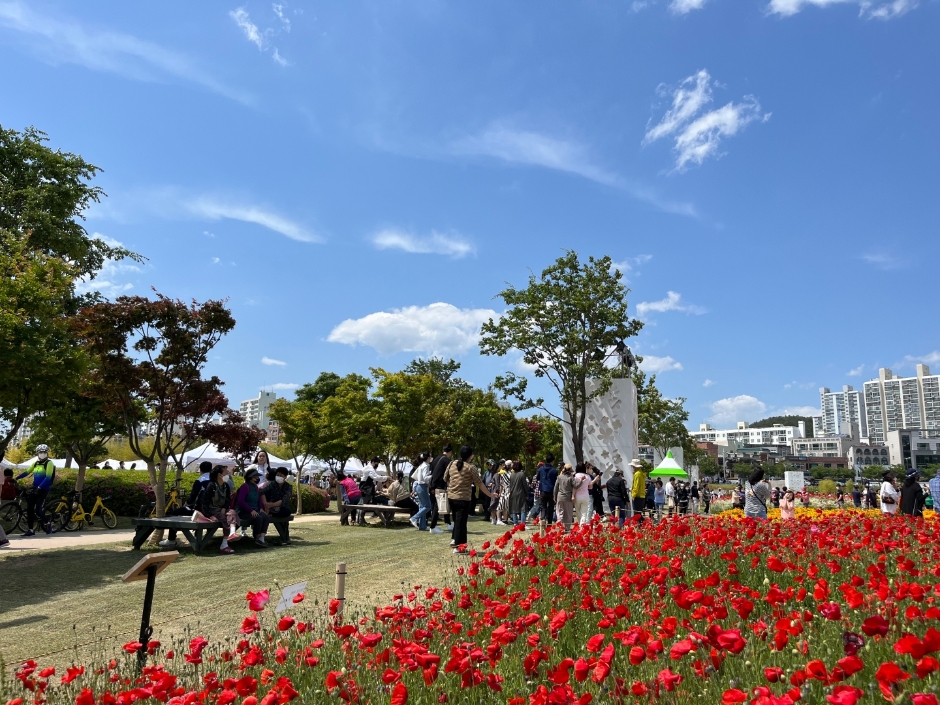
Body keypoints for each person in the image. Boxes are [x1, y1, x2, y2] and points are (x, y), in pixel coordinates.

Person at [442, 445, 494, 554]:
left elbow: (445, 478)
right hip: (463, 498)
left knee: (457, 520)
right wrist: (490, 494)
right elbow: (480, 483)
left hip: (451, 497)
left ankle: (456, 540)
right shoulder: (471, 468)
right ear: (471, 456)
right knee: (461, 523)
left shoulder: (452, 464)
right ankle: (458, 546)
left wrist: (454, 485)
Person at [160, 461, 213, 549]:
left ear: (200, 469)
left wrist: (186, 504)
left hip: (201, 510)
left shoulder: (200, 480)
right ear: (211, 469)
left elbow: (193, 496)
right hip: (214, 510)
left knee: (176, 512)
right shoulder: (216, 480)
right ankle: (198, 536)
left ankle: (171, 540)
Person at [16, 444, 56, 536]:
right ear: (37, 453)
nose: (42, 453)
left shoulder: (49, 463)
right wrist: (16, 478)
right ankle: (31, 530)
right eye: (40, 452)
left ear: (47, 453)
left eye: (44, 452)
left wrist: (40, 487)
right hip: (35, 487)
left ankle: (47, 522)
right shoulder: (36, 463)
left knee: (38, 510)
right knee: (29, 509)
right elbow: (27, 472)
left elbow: (48, 478)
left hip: (43, 488)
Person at [200, 466, 239, 554]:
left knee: (232, 513)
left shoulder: (226, 486)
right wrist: (210, 515)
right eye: (226, 472)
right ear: (219, 475)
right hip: (212, 509)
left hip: (222, 509)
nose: (228, 473)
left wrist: (224, 508)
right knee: (224, 518)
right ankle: (224, 545)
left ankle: (232, 533)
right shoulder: (211, 486)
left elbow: (228, 500)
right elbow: (204, 502)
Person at [234, 468, 270, 546]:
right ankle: (257, 538)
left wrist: (261, 508)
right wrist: (250, 510)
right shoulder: (245, 486)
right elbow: (240, 501)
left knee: (266, 517)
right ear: (251, 478)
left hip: (255, 510)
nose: (258, 478)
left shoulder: (256, 487)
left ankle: (262, 538)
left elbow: (258, 499)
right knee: (259, 518)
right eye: (256, 477)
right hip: (243, 512)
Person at [428, 444, 454, 534]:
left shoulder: (436, 459)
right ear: (450, 452)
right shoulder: (447, 461)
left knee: (443, 504)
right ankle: (433, 526)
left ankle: (448, 523)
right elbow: (449, 474)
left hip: (433, 484)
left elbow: (432, 472)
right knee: (438, 506)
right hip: (440, 485)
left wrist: (432, 486)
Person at [263, 466, 294, 543]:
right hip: (268, 507)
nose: (278, 477)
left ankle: (285, 538)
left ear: (285, 477)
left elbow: (284, 500)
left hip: (280, 508)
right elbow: (261, 492)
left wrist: (271, 505)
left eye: (281, 475)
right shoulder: (272, 484)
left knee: (287, 512)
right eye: (277, 475)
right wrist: (265, 503)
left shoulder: (288, 487)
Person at [410, 452, 433, 530]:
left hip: (418, 487)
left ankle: (422, 526)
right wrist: (432, 475)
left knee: (422, 507)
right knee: (428, 506)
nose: (431, 458)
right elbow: (425, 478)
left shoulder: (421, 465)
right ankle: (414, 518)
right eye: (430, 457)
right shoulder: (426, 466)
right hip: (422, 487)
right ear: (427, 458)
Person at [553, 464, 579, 530]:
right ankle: (567, 528)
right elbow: (576, 486)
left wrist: (554, 496)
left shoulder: (559, 477)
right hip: (568, 497)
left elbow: (556, 487)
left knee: (560, 513)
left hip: (560, 497)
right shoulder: (571, 478)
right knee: (568, 514)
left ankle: (560, 527)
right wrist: (581, 480)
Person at [537, 454, 559, 525]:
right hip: (551, 490)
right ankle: (549, 523)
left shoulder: (541, 469)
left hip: (543, 490)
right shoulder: (554, 470)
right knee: (551, 507)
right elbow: (556, 481)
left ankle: (542, 520)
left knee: (543, 506)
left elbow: (537, 478)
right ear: (552, 461)